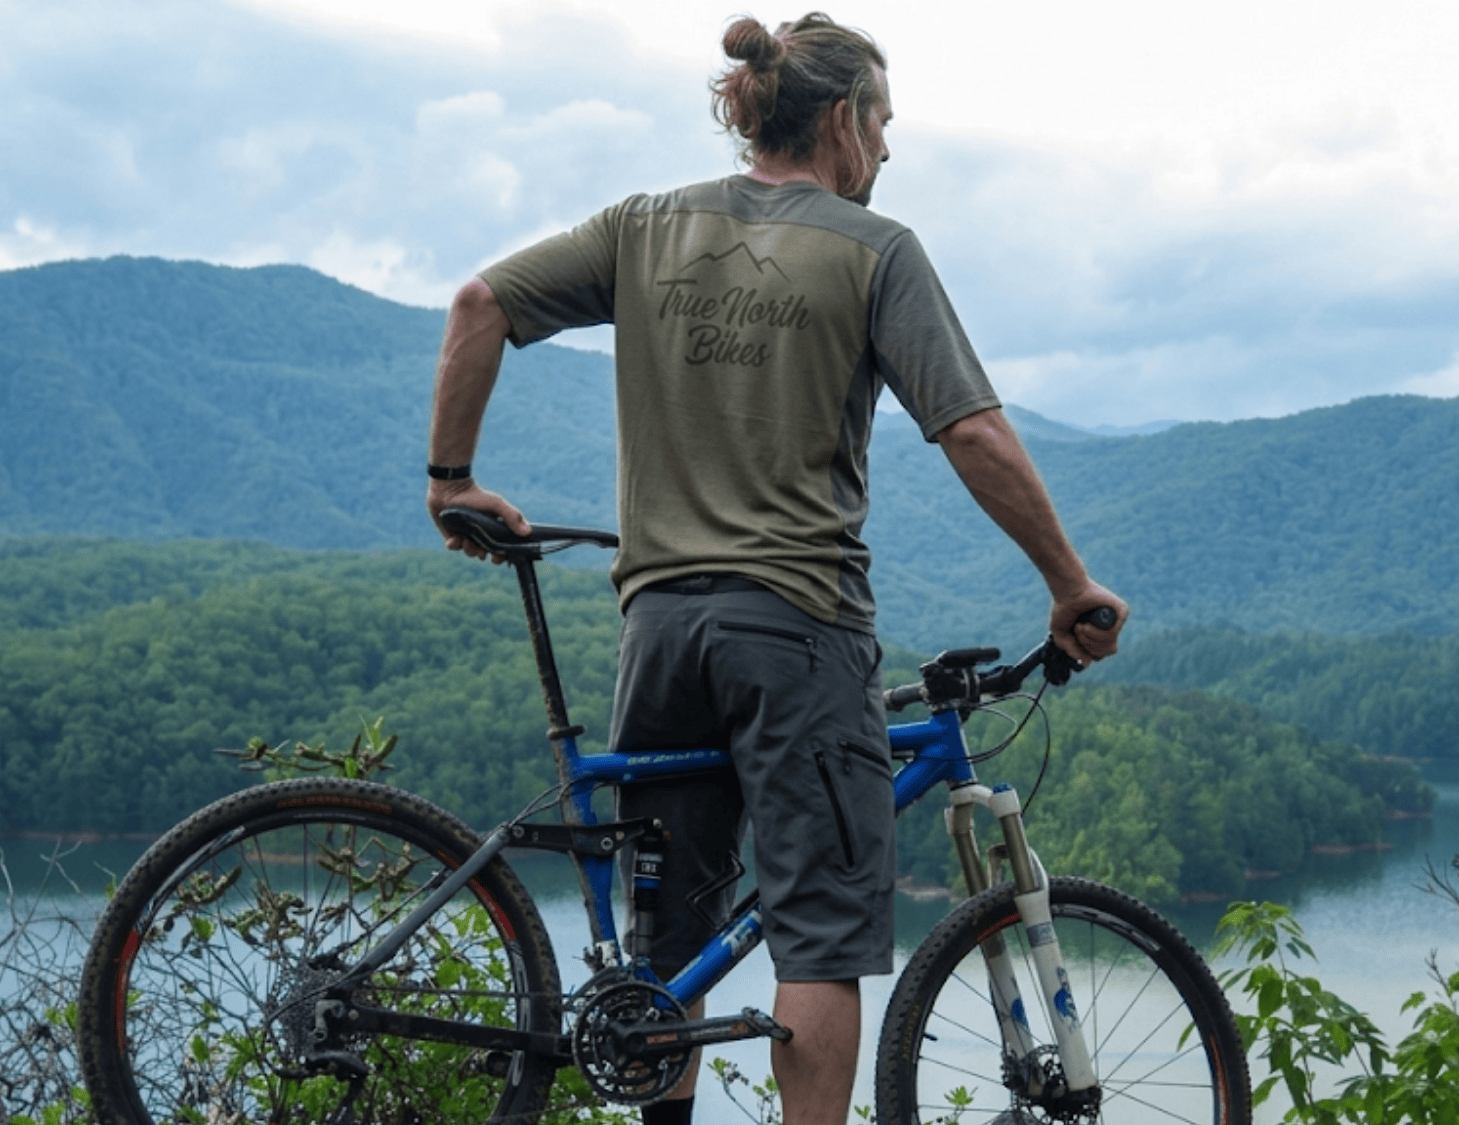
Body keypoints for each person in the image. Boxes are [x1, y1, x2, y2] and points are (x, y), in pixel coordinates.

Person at [425, 13, 1127, 1125]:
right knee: (820, 936)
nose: (888, 152)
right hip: (798, 627)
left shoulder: (644, 226)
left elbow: (478, 305)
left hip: (655, 628)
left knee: (675, 932)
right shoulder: (875, 248)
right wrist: (1066, 583)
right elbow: (973, 431)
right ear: (843, 119)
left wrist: (449, 478)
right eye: (884, 124)